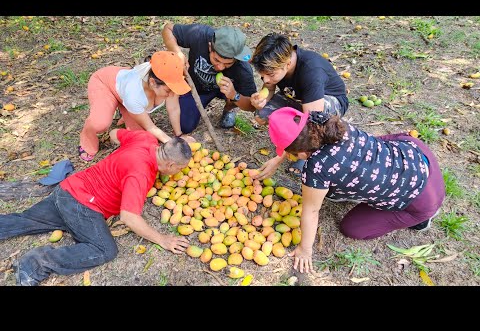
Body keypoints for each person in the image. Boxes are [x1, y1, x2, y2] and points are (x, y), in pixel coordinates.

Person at [0, 129, 192, 286]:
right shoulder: (140, 174)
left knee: (28, 219)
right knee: (105, 250)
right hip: (83, 206)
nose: (178, 173)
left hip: (68, 188)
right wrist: (163, 239)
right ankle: (35, 263)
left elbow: (114, 134)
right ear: (170, 164)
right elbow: (129, 217)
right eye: (179, 169)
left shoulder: (145, 138)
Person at [267, 107, 446, 274]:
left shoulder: (317, 168)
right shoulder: (328, 124)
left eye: (288, 153)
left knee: (353, 228)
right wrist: (278, 158)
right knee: (375, 145)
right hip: (416, 154)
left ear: (300, 152)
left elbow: (312, 211)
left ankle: (422, 218)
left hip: (423, 200)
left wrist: (305, 249)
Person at [249, 33, 349, 178]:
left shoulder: (310, 71)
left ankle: (306, 154)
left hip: (326, 103)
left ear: (287, 64)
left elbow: (311, 122)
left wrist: (278, 159)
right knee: (262, 114)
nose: (265, 79)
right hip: (299, 100)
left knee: (313, 128)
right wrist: (262, 100)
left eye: (270, 74)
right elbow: (269, 88)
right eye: (262, 75)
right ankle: (291, 143)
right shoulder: (275, 63)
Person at [79, 50, 193, 162]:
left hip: (124, 87)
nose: (172, 93)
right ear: (153, 82)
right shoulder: (134, 94)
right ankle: (87, 141)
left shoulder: (167, 80)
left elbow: (173, 109)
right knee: (100, 123)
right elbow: (151, 127)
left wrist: (179, 135)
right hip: (104, 83)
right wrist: (173, 145)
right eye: (168, 90)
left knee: (143, 141)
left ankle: (126, 110)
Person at [162, 23, 257, 132]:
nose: (220, 67)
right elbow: (168, 29)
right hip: (198, 88)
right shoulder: (200, 35)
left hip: (228, 91)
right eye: (216, 60)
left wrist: (234, 95)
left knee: (237, 96)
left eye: (228, 64)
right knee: (184, 125)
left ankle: (229, 108)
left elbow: (251, 106)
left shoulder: (243, 69)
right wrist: (177, 52)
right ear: (210, 46)